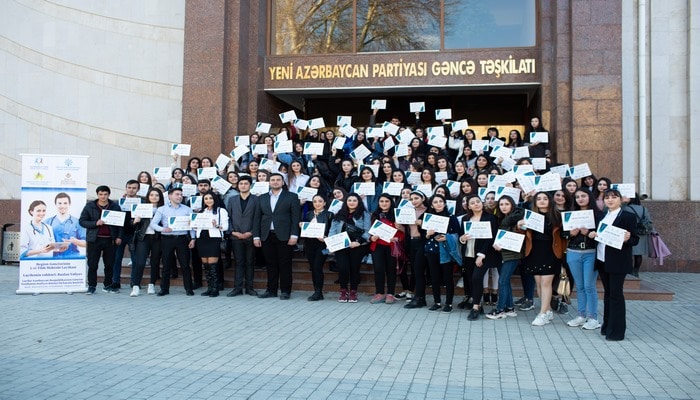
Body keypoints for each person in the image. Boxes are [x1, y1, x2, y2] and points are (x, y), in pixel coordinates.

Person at [588, 189, 639, 341]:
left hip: (618, 261)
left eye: (614, 197)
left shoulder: (627, 216)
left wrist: (627, 239)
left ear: (620, 200)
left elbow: (635, 239)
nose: (610, 200)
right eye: (607, 197)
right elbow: (599, 235)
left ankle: (617, 332)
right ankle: (607, 327)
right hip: (603, 259)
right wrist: (592, 235)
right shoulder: (603, 216)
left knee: (616, 295)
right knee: (608, 294)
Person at [518, 192, 566, 326]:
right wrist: (520, 226)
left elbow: (563, 234)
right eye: (539, 199)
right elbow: (523, 233)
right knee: (538, 282)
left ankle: (542, 313)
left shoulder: (557, 216)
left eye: (545, 198)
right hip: (534, 251)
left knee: (546, 283)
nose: (542, 201)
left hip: (551, 252)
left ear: (550, 201)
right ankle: (548, 310)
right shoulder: (530, 216)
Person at [253, 173, 301, 300]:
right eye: (272, 180)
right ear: (269, 182)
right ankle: (271, 290)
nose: (275, 182)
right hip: (266, 235)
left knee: (285, 264)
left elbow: (296, 218)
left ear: (283, 182)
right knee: (270, 264)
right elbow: (257, 218)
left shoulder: (292, 197)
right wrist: (256, 237)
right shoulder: (262, 198)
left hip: (285, 236)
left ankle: (285, 291)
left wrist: (294, 235)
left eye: (278, 180)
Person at [563, 189, 602, 329]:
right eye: (577, 197)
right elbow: (564, 233)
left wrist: (590, 232)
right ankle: (581, 315)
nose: (580, 199)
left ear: (589, 197)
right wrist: (570, 234)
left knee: (589, 286)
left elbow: (602, 233)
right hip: (573, 252)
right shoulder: (570, 214)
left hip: (590, 253)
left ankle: (593, 318)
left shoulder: (598, 215)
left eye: (583, 196)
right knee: (579, 286)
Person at [459, 195, 500, 320]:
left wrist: (481, 255)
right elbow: (462, 236)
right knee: (471, 279)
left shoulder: (490, 218)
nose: (476, 204)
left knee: (477, 278)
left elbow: (490, 238)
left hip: (484, 255)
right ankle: (478, 303)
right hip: (469, 253)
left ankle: (475, 307)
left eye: (478, 201)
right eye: (472, 203)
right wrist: (462, 239)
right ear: (469, 206)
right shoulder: (466, 218)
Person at [149, 187, 196, 296]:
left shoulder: (187, 209)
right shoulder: (162, 209)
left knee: (185, 264)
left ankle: (188, 289)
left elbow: (192, 226)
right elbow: (153, 224)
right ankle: (164, 289)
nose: (179, 196)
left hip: (182, 238)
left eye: (181, 194)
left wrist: (193, 238)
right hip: (167, 238)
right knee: (166, 264)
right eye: (177, 194)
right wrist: (162, 229)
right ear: (170, 196)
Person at [486, 196, 524, 320]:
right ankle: (509, 308)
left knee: (502, 281)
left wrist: (504, 245)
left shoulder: (518, 218)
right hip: (502, 254)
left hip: (512, 255)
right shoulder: (502, 219)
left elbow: (518, 236)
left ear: (512, 205)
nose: (504, 207)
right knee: (505, 281)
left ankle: (499, 310)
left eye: (506, 204)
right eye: (501, 204)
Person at [79, 186, 123, 295]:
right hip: (94, 239)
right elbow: (82, 221)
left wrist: (119, 237)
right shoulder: (90, 206)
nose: (103, 196)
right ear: (97, 194)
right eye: (101, 194)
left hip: (110, 240)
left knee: (109, 265)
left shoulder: (115, 206)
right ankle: (92, 286)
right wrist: (95, 223)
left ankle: (107, 285)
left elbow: (120, 224)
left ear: (109, 195)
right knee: (93, 264)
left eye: (105, 194)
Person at [328, 193, 371, 303]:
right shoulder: (339, 214)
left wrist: (358, 242)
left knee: (354, 268)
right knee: (343, 268)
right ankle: (343, 291)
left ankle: (353, 291)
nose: (352, 202)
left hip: (357, 246)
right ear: (346, 202)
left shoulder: (364, 214)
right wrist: (331, 243)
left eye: (354, 200)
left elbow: (367, 232)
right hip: (341, 245)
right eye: (349, 200)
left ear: (359, 202)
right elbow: (332, 231)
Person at [423, 194, 461, 313]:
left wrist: (447, 237)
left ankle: (449, 303)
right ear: (432, 205)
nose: (438, 203)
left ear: (445, 203)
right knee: (434, 277)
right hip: (432, 251)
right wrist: (428, 234)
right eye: (435, 202)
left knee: (447, 278)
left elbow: (457, 234)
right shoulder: (428, 217)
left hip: (446, 250)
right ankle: (437, 302)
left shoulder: (451, 217)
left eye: (441, 201)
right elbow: (425, 236)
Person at [225, 175, 259, 297]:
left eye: (245, 183)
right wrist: (233, 231)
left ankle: (250, 288)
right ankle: (237, 288)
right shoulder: (232, 199)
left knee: (249, 262)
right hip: (236, 236)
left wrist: (251, 232)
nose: (243, 186)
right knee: (239, 262)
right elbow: (228, 217)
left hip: (250, 236)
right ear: (238, 186)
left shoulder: (256, 199)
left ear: (250, 185)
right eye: (241, 184)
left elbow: (258, 218)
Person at [369, 194, 404, 304]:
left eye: (386, 201)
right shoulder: (374, 215)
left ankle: (390, 293)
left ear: (391, 203)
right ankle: (379, 293)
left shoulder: (396, 215)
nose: (384, 203)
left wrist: (397, 238)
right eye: (381, 201)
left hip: (391, 246)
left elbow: (402, 233)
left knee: (391, 270)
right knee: (378, 269)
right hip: (377, 246)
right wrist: (371, 238)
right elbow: (368, 231)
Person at [130, 187, 165, 296]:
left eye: (157, 195)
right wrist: (135, 221)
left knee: (155, 262)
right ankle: (136, 286)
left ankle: (152, 284)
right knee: (140, 262)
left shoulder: (163, 209)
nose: (154, 197)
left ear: (160, 197)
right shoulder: (141, 208)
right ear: (148, 196)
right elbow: (132, 224)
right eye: (151, 195)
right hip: (143, 238)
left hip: (157, 238)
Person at [194, 192, 229, 297]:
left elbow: (226, 227)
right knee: (206, 265)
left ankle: (215, 288)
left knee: (212, 265)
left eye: (210, 198)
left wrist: (216, 225)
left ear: (215, 199)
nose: (208, 200)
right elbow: (197, 226)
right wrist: (193, 225)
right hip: (202, 238)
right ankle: (209, 288)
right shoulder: (201, 212)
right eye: (206, 199)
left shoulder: (220, 211)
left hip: (213, 238)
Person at [108, 179, 140, 293]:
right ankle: (116, 281)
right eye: (129, 187)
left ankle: (134, 281)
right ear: (126, 188)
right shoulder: (117, 203)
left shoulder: (142, 202)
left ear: (138, 189)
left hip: (134, 234)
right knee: (117, 259)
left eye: (134, 188)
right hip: (120, 235)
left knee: (135, 259)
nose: (131, 190)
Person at [301, 194, 333, 301]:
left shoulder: (329, 214)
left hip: (322, 245)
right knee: (313, 268)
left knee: (317, 267)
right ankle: (317, 291)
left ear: (324, 203)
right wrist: (302, 225)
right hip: (310, 244)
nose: (317, 203)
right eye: (315, 201)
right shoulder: (309, 214)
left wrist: (326, 238)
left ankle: (318, 292)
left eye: (320, 201)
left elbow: (333, 231)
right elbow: (305, 228)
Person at [404, 191, 429, 309]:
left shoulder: (429, 211)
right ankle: (420, 297)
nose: (414, 201)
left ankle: (419, 298)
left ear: (423, 198)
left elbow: (434, 227)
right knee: (415, 271)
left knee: (419, 271)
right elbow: (408, 229)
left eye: (416, 198)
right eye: (411, 199)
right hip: (411, 242)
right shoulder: (409, 212)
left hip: (422, 242)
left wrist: (422, 223)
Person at [45, 192, 86, 258]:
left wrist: (76, 241)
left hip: (73, 258)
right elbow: (41, 243)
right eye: (59, 203)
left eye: (65, 203)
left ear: (69, 204)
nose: (62, 206)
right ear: (55, 204)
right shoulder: (47, 222)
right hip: (52, 260)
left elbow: (86, 243)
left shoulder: (77, 222)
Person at [624, 194, 651, 277]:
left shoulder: (625, 208)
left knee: (629, 252)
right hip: (641, 233)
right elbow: (648, 221)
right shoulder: (644, 209)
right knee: (638, 254)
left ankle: (629, 270)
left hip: (630, 232)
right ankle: (636, 270)